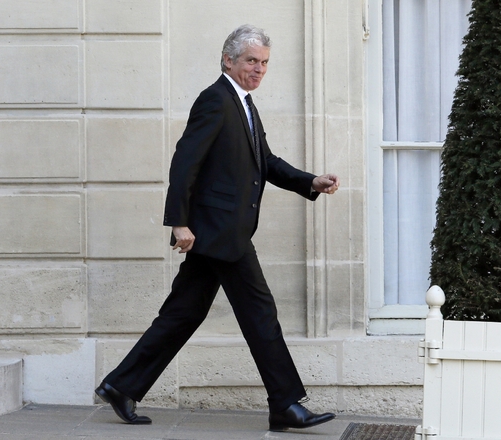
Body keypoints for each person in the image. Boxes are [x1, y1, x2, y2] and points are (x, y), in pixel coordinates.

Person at [95, 24, 339, 432]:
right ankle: (286, 404)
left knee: (182, 314)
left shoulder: (243, 104)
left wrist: (309, 181)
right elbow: (184, 162)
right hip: (219, 231)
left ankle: (121, 385)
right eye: (251, 61)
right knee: (261, 314)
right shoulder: (215, 100)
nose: (258, 70)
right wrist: (179, 223)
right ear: (229, 60)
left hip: (221, 231)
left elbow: (267, 161)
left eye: (264, 63)